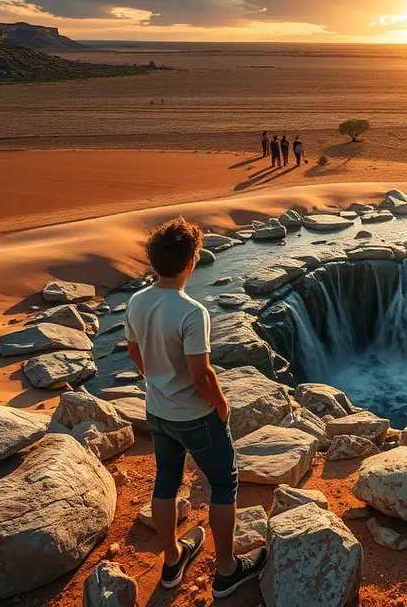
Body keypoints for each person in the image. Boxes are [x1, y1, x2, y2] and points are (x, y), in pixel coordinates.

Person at [124, 218, 267, 598]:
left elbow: (133, 349)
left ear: (154, 261)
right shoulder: (191, 311)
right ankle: (227, 570)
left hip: (157, 411)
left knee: (166, 482)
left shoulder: (137, 301)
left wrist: (151, 375)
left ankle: (172, 560)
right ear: (191, 263)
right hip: (195, 416)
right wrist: (221, 403)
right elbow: (200, 373)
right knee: (224, 482)